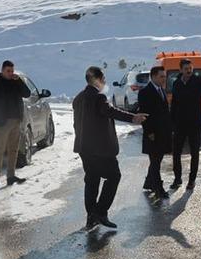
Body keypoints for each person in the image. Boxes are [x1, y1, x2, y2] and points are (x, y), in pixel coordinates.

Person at [73, 66, 147, 230]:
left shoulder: (78, 98)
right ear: (97, 79)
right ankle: (101, 212)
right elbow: (111, 111)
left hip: (84, 149)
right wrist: (133, 117)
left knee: (91, 181)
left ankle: (91, 217)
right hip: (101, 150)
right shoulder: (98, 97)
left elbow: (75, 124)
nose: (104, 82)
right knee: (114, 176)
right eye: (103, 79)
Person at [170, 58, 201, 191]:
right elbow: (174, 104)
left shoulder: (198, 81)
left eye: (190, 68)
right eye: (186, 69)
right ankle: (177, 179)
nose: (189, 71)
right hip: (180, 123)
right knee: (176, 153)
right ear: (181, 70)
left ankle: (192, 180)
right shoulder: (176, 84)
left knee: (194, 153)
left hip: (194, 123)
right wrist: (172, 122)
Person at [0, 60, 33, 191]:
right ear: (2, 70)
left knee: (13, 150)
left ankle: (11, 176)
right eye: (8, 71)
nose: (11, 73)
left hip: (16, 121)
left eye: (12, 71)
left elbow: (27, 94)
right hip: (1, 123)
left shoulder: (15, 82)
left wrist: (19, 81)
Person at [137, 66, 172, 198]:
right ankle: (159, 188)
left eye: (165, 76)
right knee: (156, 162)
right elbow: (143, 114)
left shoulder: (161, 90)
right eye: (161, 76)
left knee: (157, 160)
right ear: (153, 76)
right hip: (153, 134)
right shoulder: (145, 92)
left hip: (163, 132)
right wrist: (149, 131)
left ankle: (149, 183)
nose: (164, 79)